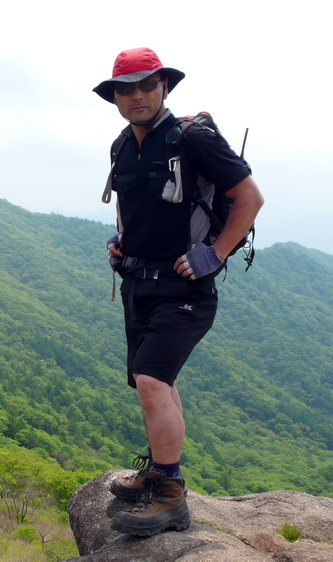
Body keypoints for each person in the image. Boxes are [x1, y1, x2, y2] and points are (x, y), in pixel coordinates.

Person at [93, 47, 264, 536]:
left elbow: (249, 197)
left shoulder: (194, 138)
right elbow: (129, 203)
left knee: (150, 380)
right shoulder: (122, 145)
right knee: (156, 383)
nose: (137, 95)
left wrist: (216, 253)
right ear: (115, 98)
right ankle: (159, 472)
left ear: (164, 86)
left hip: (185, 286)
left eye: (147, 84)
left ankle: (169, 495)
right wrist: (121, 240)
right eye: (125, 88)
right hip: (138, 282)